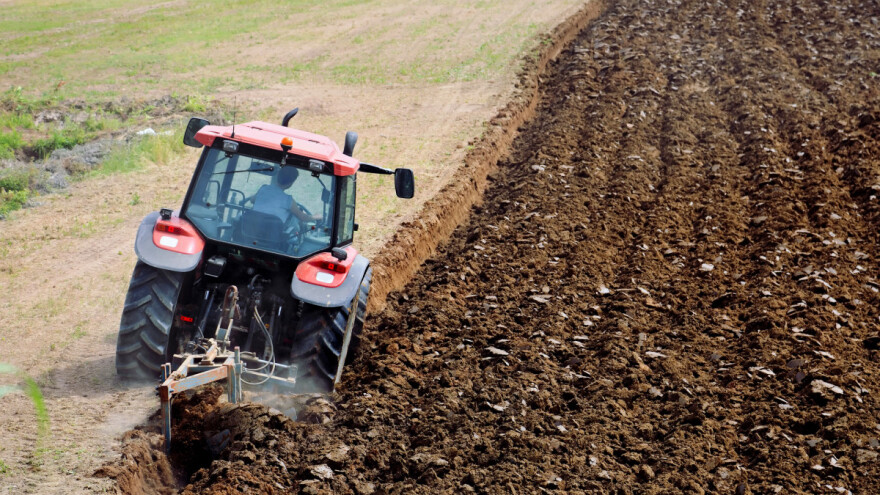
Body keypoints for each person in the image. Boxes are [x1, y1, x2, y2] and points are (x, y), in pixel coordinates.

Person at [249, 166, 321, 225]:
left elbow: (252, 200)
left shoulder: (263, 189)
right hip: (272, 239)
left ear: (277, 176)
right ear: (290, 183)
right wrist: (315, 217)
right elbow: (302, 217)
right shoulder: (288, 200)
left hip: (251, 232)